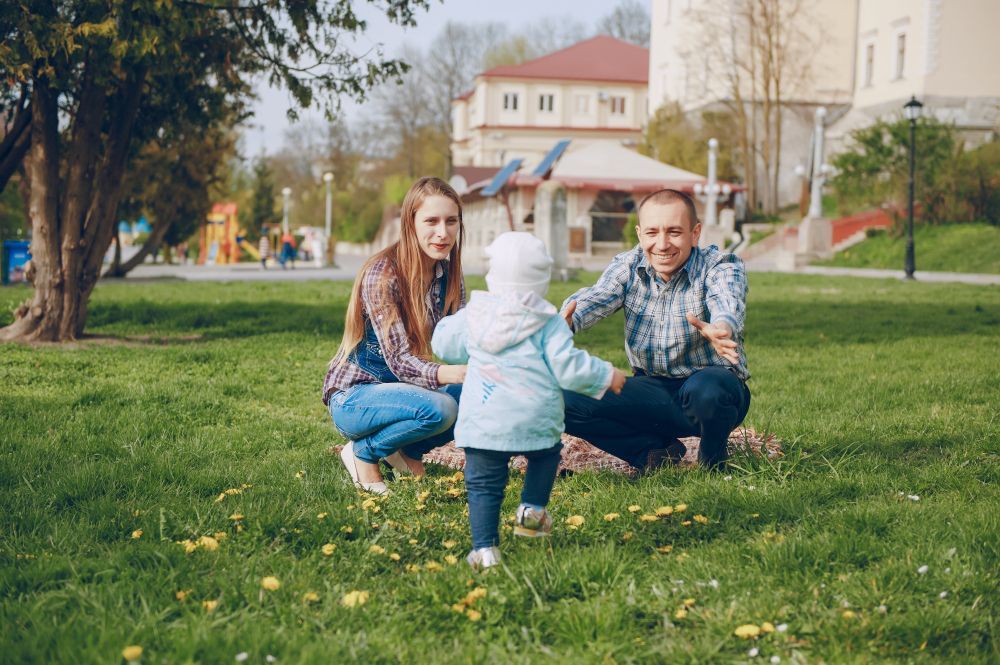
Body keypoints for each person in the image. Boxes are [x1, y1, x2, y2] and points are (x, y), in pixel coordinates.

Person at [432, 232, 626, 570]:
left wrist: (451, 325)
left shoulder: (474, 315)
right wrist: (605, 375)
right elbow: (568, 366)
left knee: (484, 485)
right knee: (546, 456)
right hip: (535, 417)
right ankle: (532, 511)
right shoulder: (548, 322)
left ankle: (485, 551)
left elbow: (444, 345)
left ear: (492, 274)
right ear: (542, 279)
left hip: (485, 421)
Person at [560, 188, 750, 471]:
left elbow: (727, 300)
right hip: (652, 391)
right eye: (652, 233)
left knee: (708, 390)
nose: (662, 244)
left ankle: (713, 460)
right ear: (640, 234)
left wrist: (721, 327)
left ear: (695, 233)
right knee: (559, 400)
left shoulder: (720, 265)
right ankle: (651, 451)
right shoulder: (628, 265)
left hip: (710, 387)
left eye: (674, 232)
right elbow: (597, 296)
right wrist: (567, 320)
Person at [323, 177, 468, 495]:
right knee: (442, 408)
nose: (443, 232)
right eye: (431, 221)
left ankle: (405, 450)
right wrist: (451, 373)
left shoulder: (449, 276)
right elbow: (400, 362)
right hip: (356, 397)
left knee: (479, 393)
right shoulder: (383, 273)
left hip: (407, 393)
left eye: (451, 221)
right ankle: (363, 452)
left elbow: (467, 337)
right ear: (410, 223)